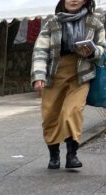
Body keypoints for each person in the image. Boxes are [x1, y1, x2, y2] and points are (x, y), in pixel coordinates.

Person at [32, 0, 106, 169]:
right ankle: (54, 155)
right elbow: (40, 50)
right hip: (54, 74)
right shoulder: (52, 22)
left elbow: (103, 48)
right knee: (51, 114)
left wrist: (94, 51)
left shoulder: (94, 22)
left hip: (81, 74)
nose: (74, 0)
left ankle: (72, 154)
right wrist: (38, 75)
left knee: (72, 110)